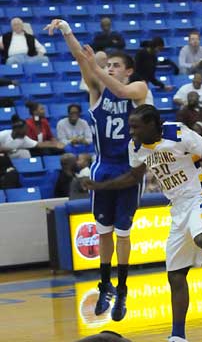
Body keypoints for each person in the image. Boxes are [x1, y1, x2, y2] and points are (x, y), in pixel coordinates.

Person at [81, 104, 202, 342]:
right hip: (178, 208)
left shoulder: (178, 133)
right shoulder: (135, 147)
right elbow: (134, 177)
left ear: (152, 124)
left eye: (136, 126)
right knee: (175, 275)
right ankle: (178, 336)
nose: (131, 131)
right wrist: (100, 187)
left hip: (201, 195)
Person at [45, 19, 147, 322]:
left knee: (123, 233)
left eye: (116, 64)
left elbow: (116, 85)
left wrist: (97, 65)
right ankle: (105, 286)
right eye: (109, 65)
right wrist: (66, 30)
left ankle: (123, 289)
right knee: (104, 232)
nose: (111, 68)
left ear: (128, 70)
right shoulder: (97, 90)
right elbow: (82, 58)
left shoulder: (139, 89)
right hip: (103, 169)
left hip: (129, 170)